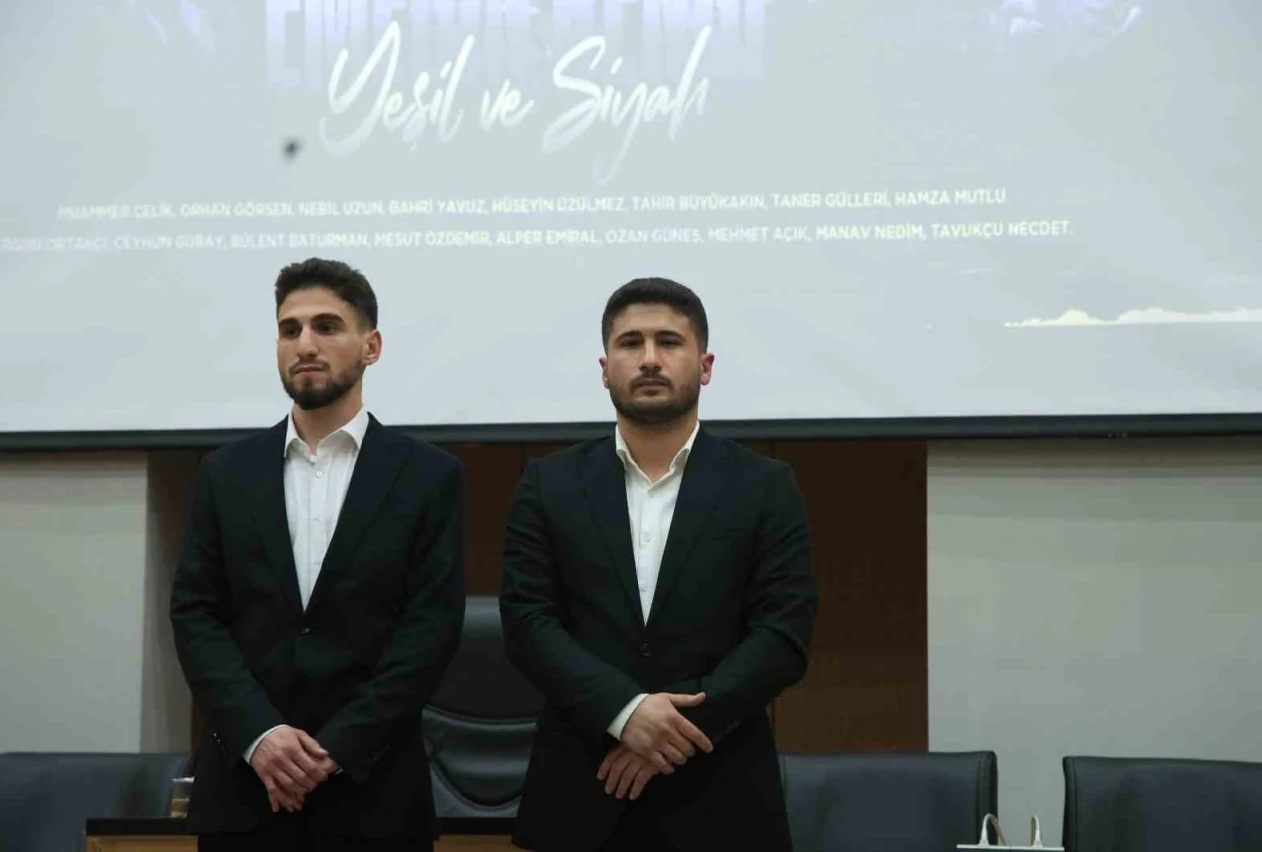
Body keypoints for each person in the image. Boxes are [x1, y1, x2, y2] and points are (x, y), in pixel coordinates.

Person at [499, 277, 818, 851]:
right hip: (583, 787)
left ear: (705, 365)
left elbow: (782, 635)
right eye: (630, 343)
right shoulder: (549, 484)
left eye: (669, 342)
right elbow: (528, 625)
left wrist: (669, 732)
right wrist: (626, 713)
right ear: (604, 369)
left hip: (721, 795)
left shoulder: (765, 485)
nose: (649, 358)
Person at [170, 258, 466, 851]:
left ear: (371, 346)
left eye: (326, 327)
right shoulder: (225, 473)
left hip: (373, 795)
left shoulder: (429, 476)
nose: (305, 344)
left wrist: (337, 748)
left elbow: (428, 631)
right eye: (290, 330)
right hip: (246, 793)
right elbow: (197, 616)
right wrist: (260, 736)